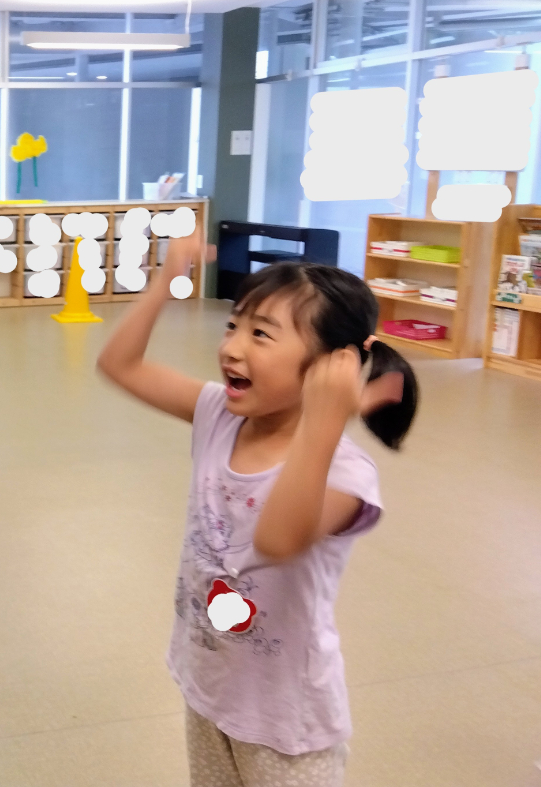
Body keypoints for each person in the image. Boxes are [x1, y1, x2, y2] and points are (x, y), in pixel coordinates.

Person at [97, 234, 417, 787]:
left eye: (261, 334)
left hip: (286, 719)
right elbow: (119, 364)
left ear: (332, 365)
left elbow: (276, 541)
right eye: (233, 326)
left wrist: (325, 418)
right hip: (210, 683)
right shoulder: (220, 414)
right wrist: (169, 274)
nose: (232, 348)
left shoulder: (344, 472)